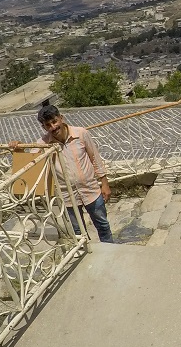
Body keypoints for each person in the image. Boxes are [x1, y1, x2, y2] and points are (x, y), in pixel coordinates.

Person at [10, 104, 114, 243]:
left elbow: (94, 158)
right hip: (67, 196)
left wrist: (105, 184)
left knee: (103, 225)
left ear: (61, 118)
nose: (53, 127)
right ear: (44, 127)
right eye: (48, 125)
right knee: (78, 233)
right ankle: (87, 256)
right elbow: (31, 162)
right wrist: (19, 147)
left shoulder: (81, 133)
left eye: (54, 122)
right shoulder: (43, 144)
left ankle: (110, 252)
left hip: (91, 190)